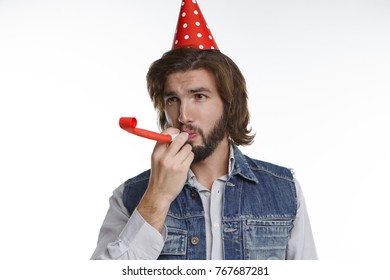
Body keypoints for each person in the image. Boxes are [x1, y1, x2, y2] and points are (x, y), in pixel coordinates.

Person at [91, 0, 317, 260]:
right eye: (172, 99)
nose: (183, 116)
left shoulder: (284, 191)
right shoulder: (128, 198)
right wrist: (158, 197)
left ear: (229, 104)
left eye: (198, 96)